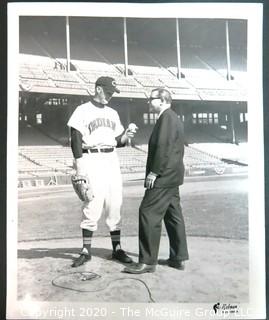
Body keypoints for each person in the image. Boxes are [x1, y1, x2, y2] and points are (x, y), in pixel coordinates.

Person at [67, 76, 135, 267]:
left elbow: (117, 142)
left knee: (115, 203)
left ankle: (117, 248)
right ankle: (86, 250)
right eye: (108, 91)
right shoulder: (82, 110)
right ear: (97, 89)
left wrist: (126, 137)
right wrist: (80, 166)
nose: (111, 95)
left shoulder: (113, 113)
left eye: (113, 92)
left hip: (111, 158)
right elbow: (75, 138)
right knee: (92, 203)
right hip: (91, 159)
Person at [123, 88, 189, 274]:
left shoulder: (166, 118)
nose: (148, 102)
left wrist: (154, 173)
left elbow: (163, 147)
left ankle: (148, 261)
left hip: (163, 176)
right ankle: (178, 257)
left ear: (161, 100)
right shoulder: (172, 117)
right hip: (172, 176)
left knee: (147, 212)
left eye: (151, 99)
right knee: (173, 215)